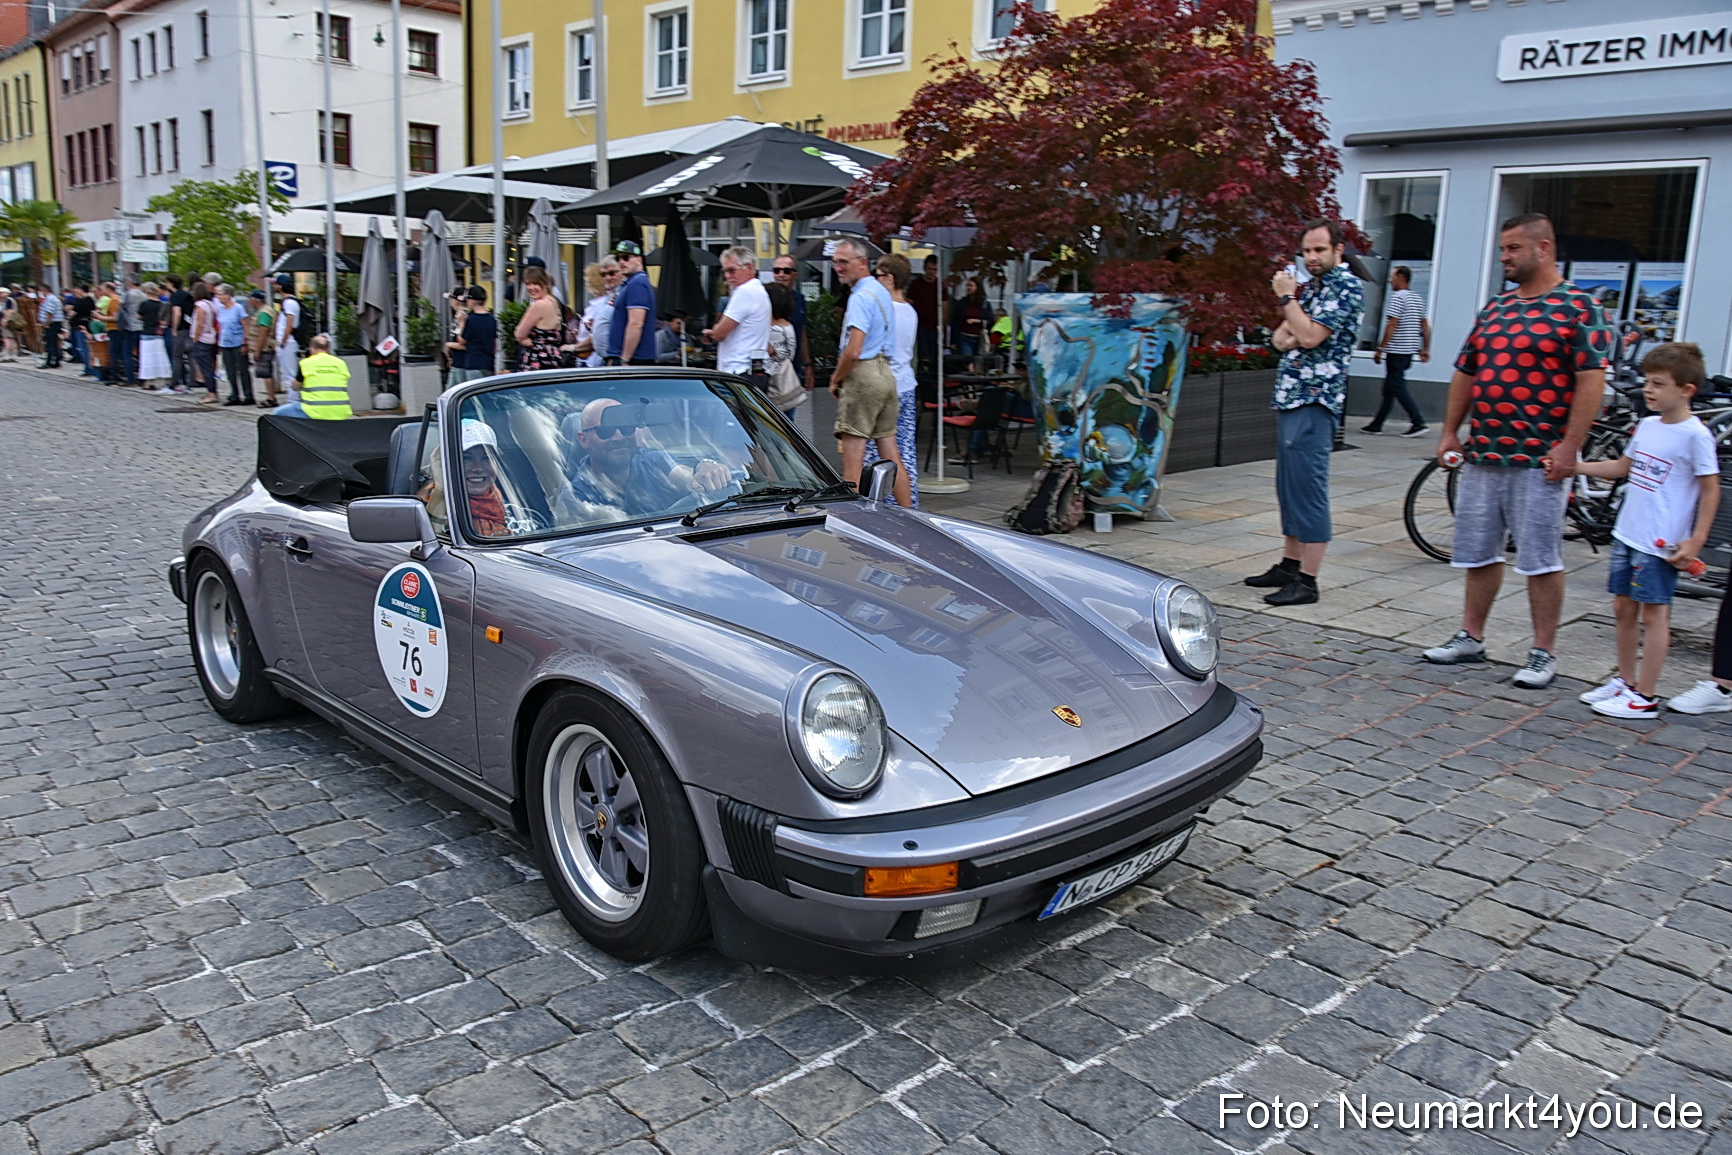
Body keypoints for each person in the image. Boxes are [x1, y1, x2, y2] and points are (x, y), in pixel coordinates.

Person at [1422, 212, 1614, 688]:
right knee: (1478, 551)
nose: (1503, 257)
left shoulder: (1578, 308)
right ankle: (1471, 635)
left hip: (1540, 460)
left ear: (1543, 248)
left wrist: (1571, 446)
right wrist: (1450, 431)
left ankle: (1542, 651)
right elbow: (1466, 371)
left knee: (1540, 557)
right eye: (1502, 249)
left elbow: (1592, 381)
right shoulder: (1496, 309)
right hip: (1485, 453)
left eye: (1512, 249)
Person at [1565, 344, 1718, 718]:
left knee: (1654, 614)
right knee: (1622, 608)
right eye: (1647, 382)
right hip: (1628, 532)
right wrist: (1575, 468)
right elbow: (1623, 467)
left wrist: (1695, 540)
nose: (1648, 390)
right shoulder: (1648, 426)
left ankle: (1646, 696)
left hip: (1660, 542)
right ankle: (1626, 682)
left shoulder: (1695, 436)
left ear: (1686, 390)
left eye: (1658, 383)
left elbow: (1711, 489)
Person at [1243, 219, 1364, 607]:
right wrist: (1299, 320)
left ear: (1338, 250)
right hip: (1293, 396)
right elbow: (1281, 339)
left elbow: (1309, 337)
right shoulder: (1312, 290)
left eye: (1319, 250)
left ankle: (1308, 581)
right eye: (1307, 251)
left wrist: (1287, 301)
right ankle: (1289, 564)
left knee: (1309, 488)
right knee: (1289, 485)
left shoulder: (1345, 286)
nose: (1311, 257)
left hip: (1316, 399)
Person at [828, 238, 912, 508]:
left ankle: (853, 521)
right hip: (886, 373)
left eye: (844, 261)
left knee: (853, 458)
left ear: (862, 263)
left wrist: (836, 378)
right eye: (835, 261)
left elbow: (854, 350)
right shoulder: (880, 290)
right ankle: (911, 515)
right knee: (892, 456)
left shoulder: (861, 296)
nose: (837, 267)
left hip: (864, 375)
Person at [563, 397, 733, 520]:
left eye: (626, 427)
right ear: (583, 440)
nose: (618, 437)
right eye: (605, 431)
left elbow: (685, 476)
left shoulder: (653, 460)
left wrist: (703, 470)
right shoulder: (577, 495)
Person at [862, 253, 920, 509]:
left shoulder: (883, 311)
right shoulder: (910, 310)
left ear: (889, 278)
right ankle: (910, 505)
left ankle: (880, 505)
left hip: (883, 385)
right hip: (906, 383)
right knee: (904, 451)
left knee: (878, 454)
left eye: (878, 275)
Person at [1363, 266, 1431, 437]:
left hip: (1397, 350)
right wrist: (1425, 348)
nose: (1389, 280)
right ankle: (1377, 424)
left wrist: (1380, 348)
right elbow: (1425, 326)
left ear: (1401, 277)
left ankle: (1418, 421)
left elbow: (1392, 324)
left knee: (1397, 387)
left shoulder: (1398, 297)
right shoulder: (1417, 298)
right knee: (1390, 388)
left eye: (1392, 276)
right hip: (1408, 350)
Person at [421, 419, 513, 538]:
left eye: (486, 458)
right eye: (466, 459)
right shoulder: (422, 507)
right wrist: (442, 490)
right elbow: (429, 543)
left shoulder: (513, 503)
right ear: (446, 463)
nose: (478, 468)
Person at [704, 246, 772, 377]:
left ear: (749, 268)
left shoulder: (744, 291)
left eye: (731, 270)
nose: (727, 276)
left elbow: (720, 333)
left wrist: (713, 332)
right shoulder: (758, 289)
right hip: (753, 368)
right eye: (724, 271)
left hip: (739, 369)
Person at [604, 240, 658, 366]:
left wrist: (625, 358)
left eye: (626, 257)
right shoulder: (631, 283)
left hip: (634, 359)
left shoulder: (637, 284)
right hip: (627, 357)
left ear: (639, 259)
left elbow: (636, 323)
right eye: (618, 258)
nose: (621, 262)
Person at [274, 335, 351, 419]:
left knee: (278, 413)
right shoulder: (341, 363)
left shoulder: (306, 363)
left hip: (314, 411)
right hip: (341, 411)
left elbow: (295, 387)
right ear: (328, 350)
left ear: (312, 350)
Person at [771, 255, 815, 391]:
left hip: (792, 368)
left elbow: (801, 332)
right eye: (777, 270)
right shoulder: (764, 297)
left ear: (795, 274)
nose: (781, 274)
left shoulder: (799, 299)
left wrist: (807, 365)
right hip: (769, 369)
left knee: (788, 410)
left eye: (786, 271)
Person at [764, 281, 805, 417]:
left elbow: (772, 353)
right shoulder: (788, 325)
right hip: (785, 391)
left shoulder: (774, 328)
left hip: (774, 388)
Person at [514, 265, 565, 371]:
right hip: (552, 358)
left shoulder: (539, 305)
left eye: (535, 283)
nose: (531, 288)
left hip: (537, 360)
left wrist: (524, 340)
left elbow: (519, 333)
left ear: (545, 284)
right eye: (528, 284)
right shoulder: (554, 302)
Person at [572, 260, 619, 368]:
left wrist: (573, 348)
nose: (607, 278)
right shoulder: (602, 301)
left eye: (611, 273)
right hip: (589, 358)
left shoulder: (603, 302)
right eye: (604, 275)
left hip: (595, 359)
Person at [447, 285, 496, 385]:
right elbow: (495, 344)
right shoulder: (492, 319)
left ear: (472, 300)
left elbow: (462, 341)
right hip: (488, 363)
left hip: (473, 363)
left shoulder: (471, 319)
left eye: (467, 300)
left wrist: (461, 323)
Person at [215, 284, 252, 406]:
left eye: (220, 294)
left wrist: (245, 342)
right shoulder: (220, 309)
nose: (218, 297)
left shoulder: (238, 308)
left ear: (228, 295)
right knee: (229, 370)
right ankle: (234, 394)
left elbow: (245, 325)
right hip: (225, 343)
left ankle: (248, 395)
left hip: (238, 342)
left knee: (242, 370)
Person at [907, 254, 940, 386]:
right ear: (924, 268)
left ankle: (931, 382)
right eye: (929, 268)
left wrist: (943, 324)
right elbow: (910, 302)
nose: (931, 272)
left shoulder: (940, 285)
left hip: (935, 325)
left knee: (934, 356)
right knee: (923, 355)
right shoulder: (916, 284)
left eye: (934, 269)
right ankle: (924, 382)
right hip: (920, 325)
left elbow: (945, 305)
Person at [138, 283, 174, 391]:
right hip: (159, 333)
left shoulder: (144, 304)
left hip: (147, 332)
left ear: (147, 291)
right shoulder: (162, 304)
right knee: (160, 357)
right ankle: (166, 379)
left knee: (147, 358)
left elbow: (139, 316)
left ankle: (149, 381)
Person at [188, 282, 219, 402]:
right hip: (211, 337)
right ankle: (213, 391)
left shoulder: (200, 305)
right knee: (209, 366)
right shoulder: (211, 304)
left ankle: (211, 393)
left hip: (202, 339)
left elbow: (200, 323)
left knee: (204, 367)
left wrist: (195, 337)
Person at [272, 276, 302, 397]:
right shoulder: (287, 302)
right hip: (286, 341)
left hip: (288, 342)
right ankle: (293, 398)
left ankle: (293, 399)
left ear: (281, 286)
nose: (274, 286)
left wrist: (283, 341)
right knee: (288, 372)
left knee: (290, 373)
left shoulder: (289, 303)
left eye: (276, 284)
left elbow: (289, 324)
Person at [246, 290, 276, 406]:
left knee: (266, 373)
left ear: (255, 300)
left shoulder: (263, 313)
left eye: (251, 299)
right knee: (265, 373)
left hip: (265, 347)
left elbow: (263, 332)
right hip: (265, 346)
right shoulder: (264, 310)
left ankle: (271, 398)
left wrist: (258, 349)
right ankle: (271, 397)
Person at [166, 274, 195, 392]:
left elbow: (177, 313)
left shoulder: (176, 296)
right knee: (191, 356)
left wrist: (174, 328)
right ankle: (190, 383)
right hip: (190, 327)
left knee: (177, 357)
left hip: (181, 328)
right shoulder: (187, 295)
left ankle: (174, 383)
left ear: (171, 283)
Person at [115, 277, 145, 385]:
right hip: (141, 326)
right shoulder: (143, 295)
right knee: (141, 353)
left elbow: (121, 308)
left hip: (129, 326)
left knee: (127, 353)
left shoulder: (128, 294)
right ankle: (142, 377)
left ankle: (130, 378)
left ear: (131, 283)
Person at [949, 278, 987, 357]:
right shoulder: (962, 303)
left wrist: (977, 321)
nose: (968, 288)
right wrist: (953, 341)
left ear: (977, 287)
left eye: (971, 285)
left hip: (979, 338)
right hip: (964, 337)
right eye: (967, 285)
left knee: (978, 360)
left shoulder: (984, 304)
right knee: (968, 359)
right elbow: (955, 322)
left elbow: (990, 320)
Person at [36, 285, 63, 367]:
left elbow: (50, 313)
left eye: (41, 291)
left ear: (45, 290)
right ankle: (55, 360)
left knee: (51, 343)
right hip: (54, 323)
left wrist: (46, 323)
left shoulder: (50, 299)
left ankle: (52, 361)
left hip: (52, 324)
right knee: (53, 342)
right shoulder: (51, 298)